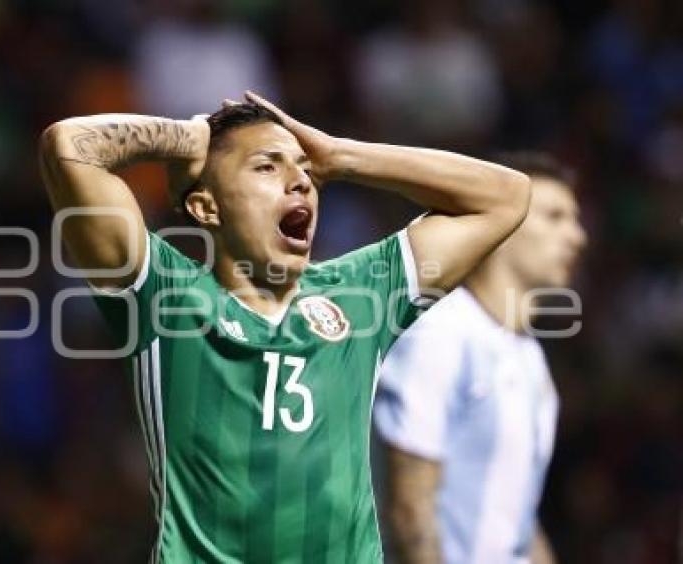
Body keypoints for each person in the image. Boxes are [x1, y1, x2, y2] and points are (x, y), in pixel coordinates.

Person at [38, 91, 530, 562]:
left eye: (305, 170)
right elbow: (68, 147)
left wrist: (340, 155)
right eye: (266, 166)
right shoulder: (164, 295)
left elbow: (506, 197)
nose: (299, 181)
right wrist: (187, 139)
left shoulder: (359, 294)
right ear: (206, 206)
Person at [373, 153, 587, 564]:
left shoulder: (529, 356)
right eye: (555, 217)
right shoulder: (440, 334)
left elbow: (517, 523)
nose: (577, 236)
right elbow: (409, 512)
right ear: (504, 224)